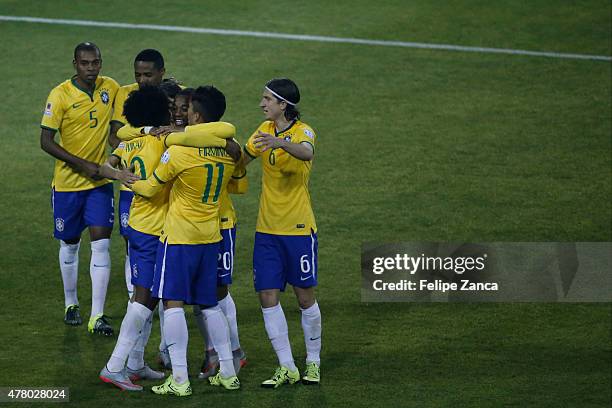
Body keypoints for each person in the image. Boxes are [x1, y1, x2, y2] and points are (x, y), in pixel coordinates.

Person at [97, 86, 237, 391]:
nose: (177, 113)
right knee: (147, 299)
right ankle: (115, 366)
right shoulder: (167, 145)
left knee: (152, 299)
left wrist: (118, 175)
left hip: (144, 226)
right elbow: (221, 135)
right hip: (156, 231)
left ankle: (134, 363)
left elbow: (107, 162)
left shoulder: (132, 140)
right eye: (171, 108)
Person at [242, 78, 322, 387]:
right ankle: (287, 366)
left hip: (298, 229)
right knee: (267, 296)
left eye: (267, 100)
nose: (262, 104)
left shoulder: (304, 131)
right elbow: (242, 159)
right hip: (266, 230)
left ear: (282, 104)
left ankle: (313, 362)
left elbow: (306, 153)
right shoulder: (262, 131)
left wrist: (280, 143)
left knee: (304, 299)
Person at [40, 42, 119, 335]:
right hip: (67, 186)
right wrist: (81, 163)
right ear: (75, 63)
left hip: (99, 183)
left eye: (95, 62)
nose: (91, 68)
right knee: (70, 244)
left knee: (101, 243)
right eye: (85, 63)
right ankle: (71, 302)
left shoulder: (109, 87)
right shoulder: (59, 95)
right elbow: (46, 141)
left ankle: (97, 315)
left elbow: (119, 121)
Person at [109, 49, 168, 300]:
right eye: (138, 75)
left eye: (148, 74)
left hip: (164, 188)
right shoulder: (124, 92)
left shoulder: (176, 94)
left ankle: (147, 296)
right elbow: (115, 134)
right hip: (130, 186)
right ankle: (137, 292)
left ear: (161, 73)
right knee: (132, 242)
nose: (142, 80)